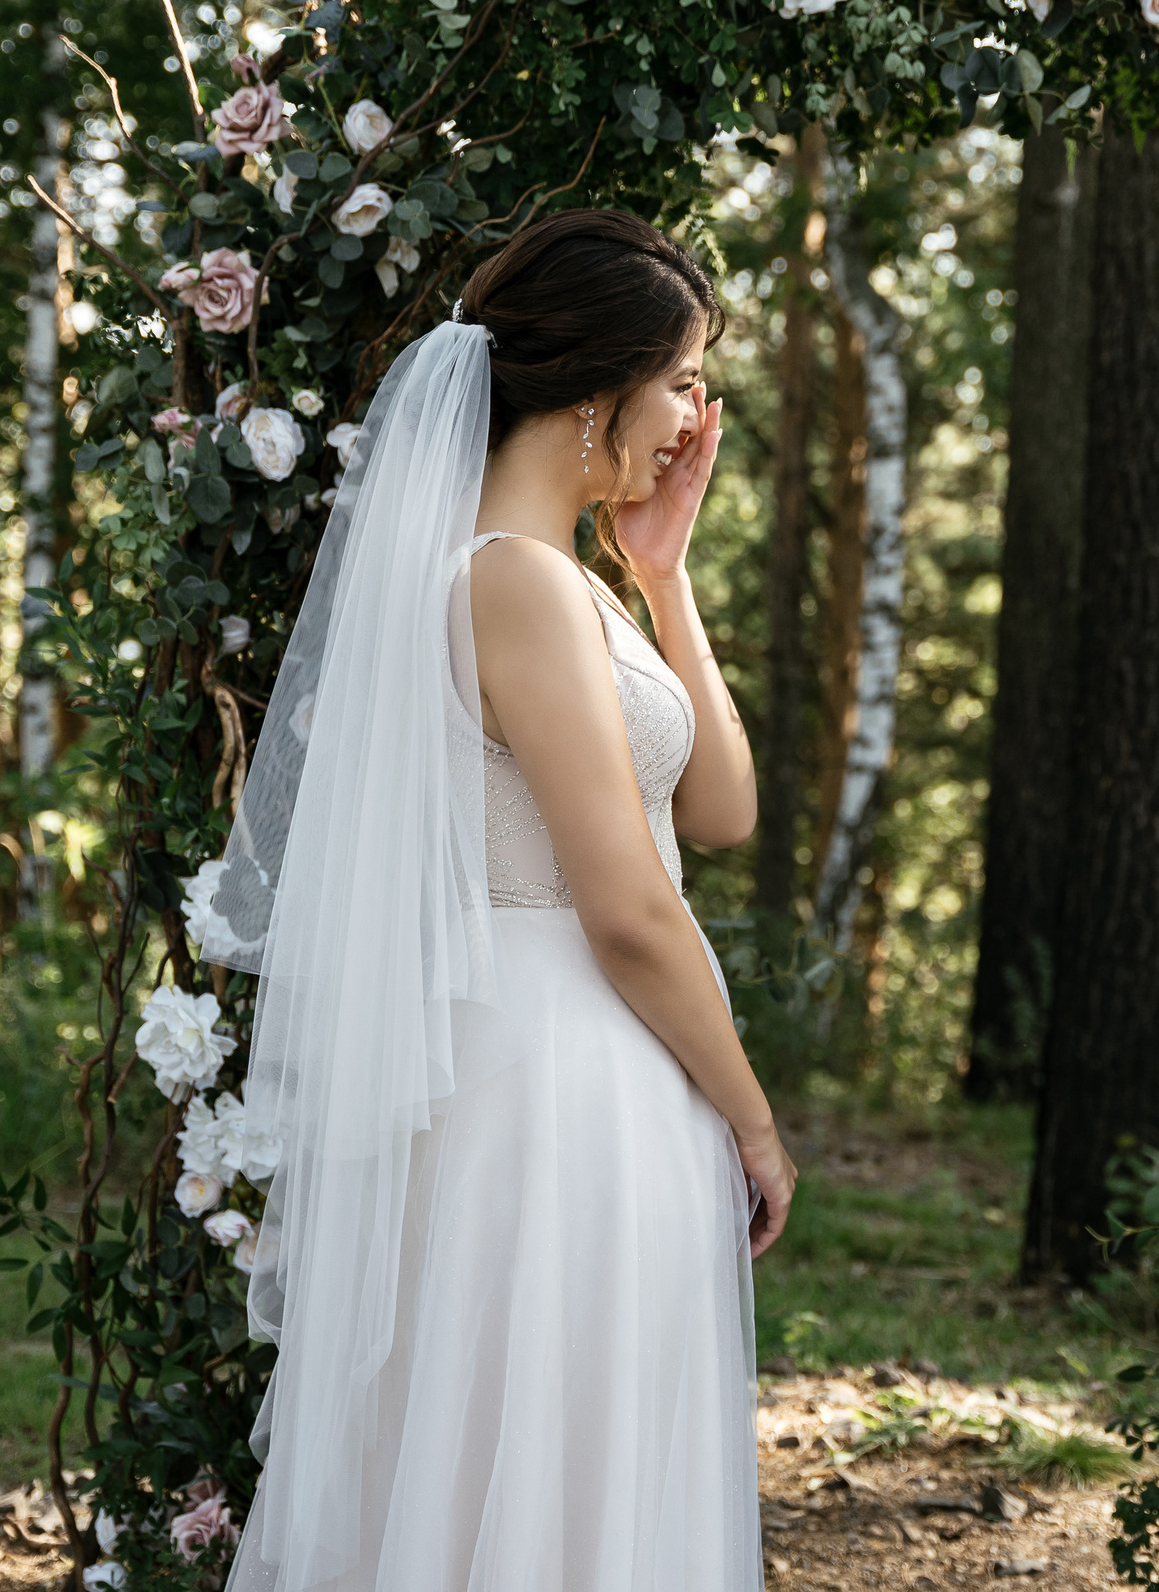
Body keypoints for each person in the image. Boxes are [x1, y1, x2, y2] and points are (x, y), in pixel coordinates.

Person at [212, 209, 794, 1592]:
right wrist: (753, 1116)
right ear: (600, 390)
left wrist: (664, 576)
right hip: (557, 1080)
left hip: (596, 1065)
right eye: (682, 381)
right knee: (547, 1475)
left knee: (571, 1460)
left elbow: (718, 811)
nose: (694, 416)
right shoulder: (512, 583)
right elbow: (630, 908)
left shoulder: (572, 584)